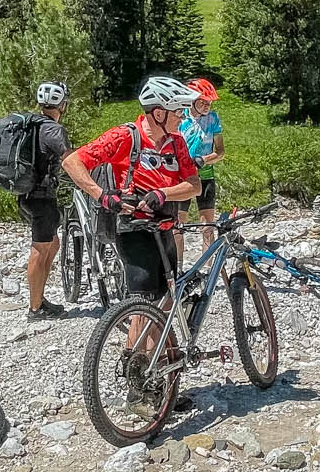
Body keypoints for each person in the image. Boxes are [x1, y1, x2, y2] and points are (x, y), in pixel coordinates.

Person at [60, 75, 202, 304]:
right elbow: (72, 162)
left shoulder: (177, 142)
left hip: (165, 226)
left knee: (167, 301)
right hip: (134, 228)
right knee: (142, 304)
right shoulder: (125, 136)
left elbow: (194, 186)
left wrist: (163, 193)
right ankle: (133, 328)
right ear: (159, 114)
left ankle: (160, 330)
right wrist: (102, 195)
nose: (182, 117)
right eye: (178, 111)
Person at [19, 81, 72, 321]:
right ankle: (35, 308)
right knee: (40, 249)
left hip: (27, 194)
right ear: (62, 105)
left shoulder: (31, 124)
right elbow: (69, 159)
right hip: (41, 196)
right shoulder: (53, 129)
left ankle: (39, 298)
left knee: (52, 243)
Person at [179, 78, 225, 241]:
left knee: (208, 226)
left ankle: (209, 257)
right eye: (203, 102)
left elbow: (220, 152)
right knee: (178, 225)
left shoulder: (213, 119)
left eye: (209, 103)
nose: (207, 106)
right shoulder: (179, 118)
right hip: (182, 177)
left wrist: (203, 160)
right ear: (191, 101)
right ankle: (177, 258)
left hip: (205, 174)